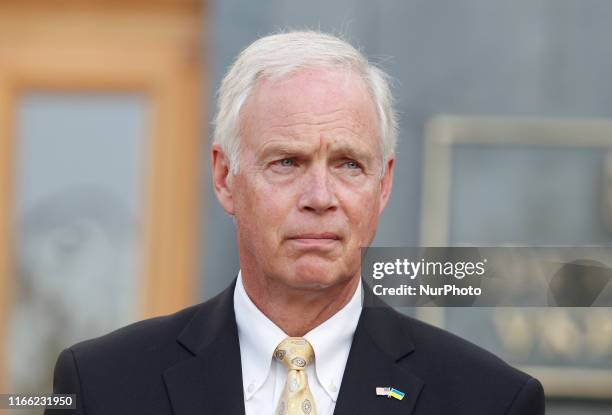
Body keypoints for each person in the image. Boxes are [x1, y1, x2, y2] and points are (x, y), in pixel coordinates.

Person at [46, 31, 544, 415]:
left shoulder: (490, 400)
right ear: (225, 178)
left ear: (384, 184)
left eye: (349, 164)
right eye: (287, 162)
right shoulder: (102, 385)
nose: (320, 198)